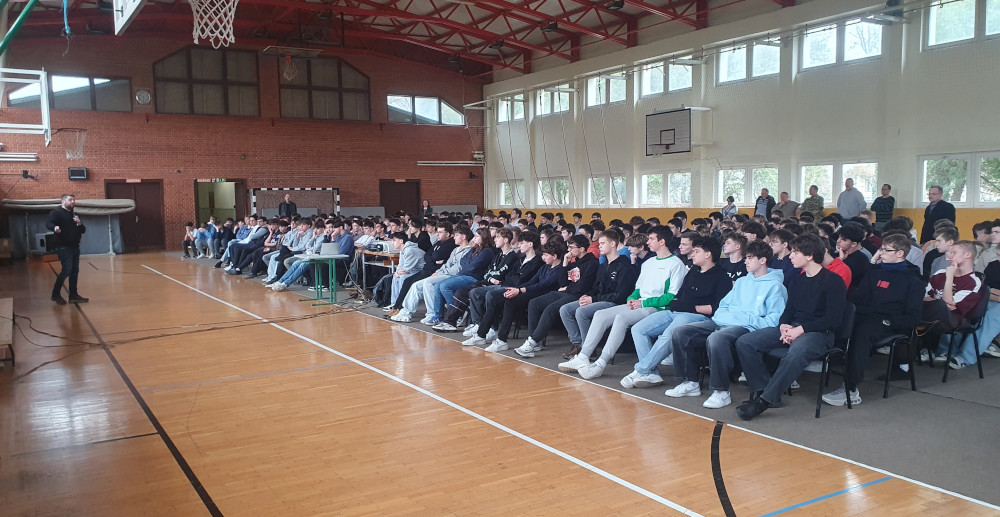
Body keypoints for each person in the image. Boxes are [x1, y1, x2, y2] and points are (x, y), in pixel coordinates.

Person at [734, 233, 847, 421]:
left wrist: (800, 330)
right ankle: (764, 389)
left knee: (797, 351)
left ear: (809, 255)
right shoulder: (798, 279)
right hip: (794, 328)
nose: (791, 256)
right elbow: (789, 310)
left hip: (819, 333)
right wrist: (783, 326)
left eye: (795, 252)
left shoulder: (833, 281)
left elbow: (833, 320)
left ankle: (764, 401)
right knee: (745, 342)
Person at [664, 241, 787, 408]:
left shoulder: (775, 286)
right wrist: (731, 316)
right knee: (681, 332)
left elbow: (773, 321)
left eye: (750, 258)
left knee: (717, 338)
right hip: (722, 322)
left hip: (746, 328)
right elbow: (721, 307)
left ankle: (721, 391)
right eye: (746, 257)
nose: (746, 261)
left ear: (763, 260)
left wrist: (744, 319)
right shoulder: (742, 282)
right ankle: (690, 382)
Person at [557, 226, 688, 380]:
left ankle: (601, 363)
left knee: (621, 318)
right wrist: (631, 299)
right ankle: (584, 356)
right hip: (639, 304)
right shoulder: (649, 262)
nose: (648, 242)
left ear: (662, 241)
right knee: (600, 314)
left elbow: (672, 296)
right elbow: (638, 288)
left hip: (657, 308)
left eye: (651, 239)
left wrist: (642, 303)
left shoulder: (675, 264)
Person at [822, 233, 924, 407]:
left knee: (860, 334)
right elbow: (858, 299)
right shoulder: (874, 273)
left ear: (900, 253)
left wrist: (889, 322)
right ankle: (820, 361)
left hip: (888, 323)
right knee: (836, 322)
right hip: (865, 316)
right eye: (881, 249)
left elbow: (913, 316)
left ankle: (850, 389)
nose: (881, 253)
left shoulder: (913, 280)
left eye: (885, 250)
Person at [622, 236, 733, 385]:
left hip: (699, 317)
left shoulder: (722, 277)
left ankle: (641, 369)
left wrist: (692, 308)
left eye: (697, 251)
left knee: (670, 332)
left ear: (708, 254)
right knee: (638, 329)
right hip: (677, 311)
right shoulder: (693, 271)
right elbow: (679, 296)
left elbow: (717, 308)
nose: (692, 255)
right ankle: (651, 373)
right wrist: (678, 305)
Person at [921, 241, 983, 370]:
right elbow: (923, 297)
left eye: (954, 253)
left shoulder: (973, 281)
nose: (949, 256)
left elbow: (948, 305)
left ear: (967, 255)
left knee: (940, 307)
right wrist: (939, 302)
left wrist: (950, 277)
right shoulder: (940, 273)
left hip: (952, 320)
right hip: (929, 314)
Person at [46, 194, 88, 304]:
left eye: (74, 200)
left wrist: (80, 223)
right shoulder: (56, 212)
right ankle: (55, 295)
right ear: (63, 201)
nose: (73, 202)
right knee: (66, 270)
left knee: (74, 272)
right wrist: (55, 227)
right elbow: (48, 223)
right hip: (64, 247)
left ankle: (73, 295)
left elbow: (83, 230)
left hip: (75, 247)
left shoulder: (74, 214)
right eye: (70, 200)